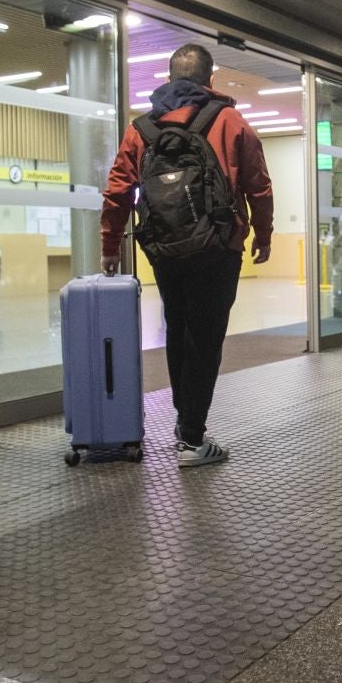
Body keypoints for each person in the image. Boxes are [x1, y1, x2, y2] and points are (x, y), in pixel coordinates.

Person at [100, 43, 272, 468]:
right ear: (209, 80)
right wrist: (263, 236)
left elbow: (118, 190)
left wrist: (109, 246)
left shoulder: (141, 127)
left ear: (169, 78)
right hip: (217, 247)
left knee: (176, 329)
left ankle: (184, 424)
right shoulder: (229, 120)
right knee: (205, 337)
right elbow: (258, 185)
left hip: (164, 247)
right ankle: (193, 438)